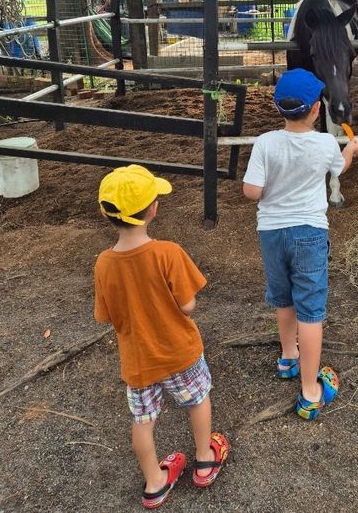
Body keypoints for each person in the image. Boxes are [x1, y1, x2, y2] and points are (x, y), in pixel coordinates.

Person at [94, 164, 229, 509]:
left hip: (138, 361)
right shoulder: (168, 252)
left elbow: (105, 316)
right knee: (197, 400)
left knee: (142, 421)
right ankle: (203, 460)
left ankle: (155, 482)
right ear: (153, 208)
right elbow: (188, 306)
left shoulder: (103, 263)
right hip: (179, 351)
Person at [243, 68, 358, 421]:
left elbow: (251, 191)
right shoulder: (326, 143)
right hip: (309, 233)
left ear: (277, 107)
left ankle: (288, 357)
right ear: (316, 109)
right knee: (311, 310)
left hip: (271, 233)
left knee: (283, 297)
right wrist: (351, 150)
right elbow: (337, 170)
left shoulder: (265, 142)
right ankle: (310, 391)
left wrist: (270, 185)